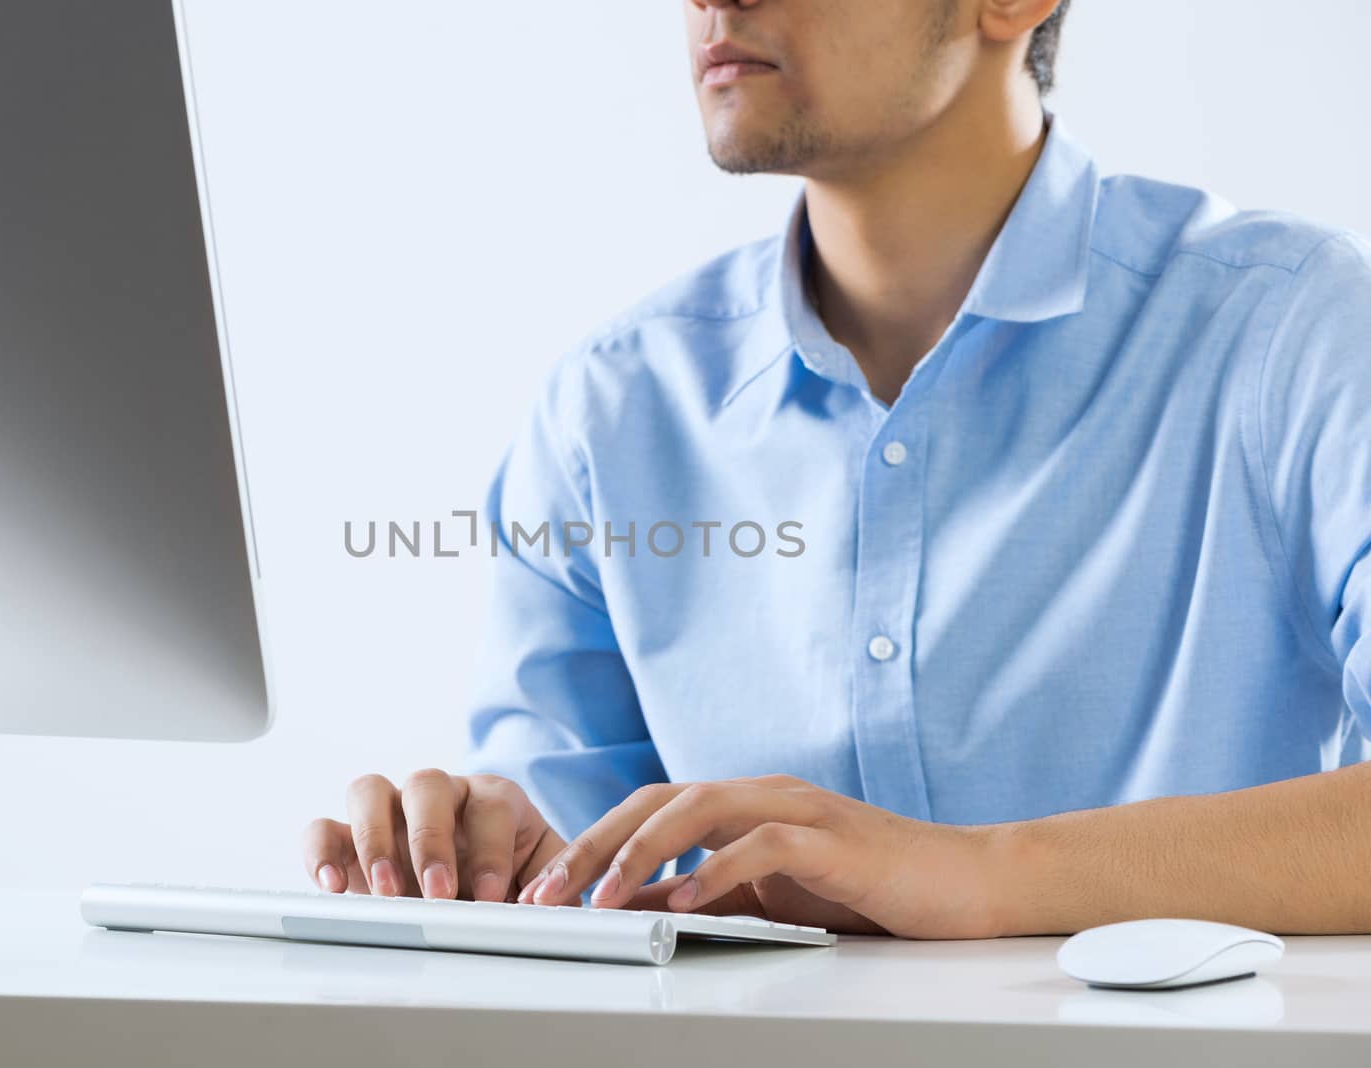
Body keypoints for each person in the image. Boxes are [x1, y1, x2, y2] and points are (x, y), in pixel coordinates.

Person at [304, 0, 1371, 938]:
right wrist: (487, 858)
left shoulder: (1291, 330)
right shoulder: (609, 412)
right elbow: (584, 896)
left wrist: (976, 876)